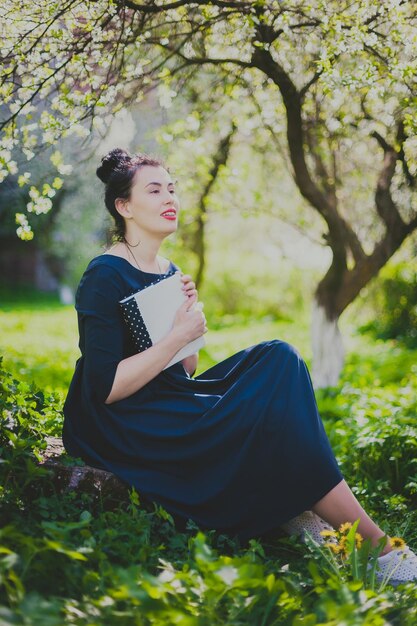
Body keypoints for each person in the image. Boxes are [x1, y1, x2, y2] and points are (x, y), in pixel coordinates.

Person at [63, 148, 417, 586]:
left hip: (167, 396)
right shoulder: (103, 275)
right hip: (122, 420)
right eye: (153, 190)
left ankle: (302, 509)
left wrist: (187, 326)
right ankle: (377, 548)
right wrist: (176, 335)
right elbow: (106, 388)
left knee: (280, 358)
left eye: (171, 188)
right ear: (124, 206)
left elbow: (185, 371)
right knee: (259, 411)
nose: (168, 197)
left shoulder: (168, 269)